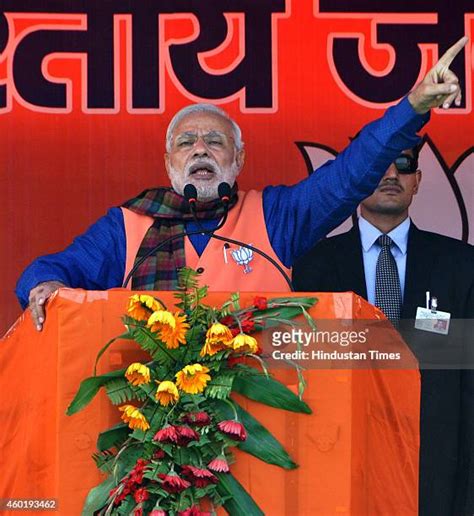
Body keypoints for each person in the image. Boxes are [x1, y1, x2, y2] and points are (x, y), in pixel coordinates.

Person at [16, 38, 468, 332]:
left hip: (256, 439)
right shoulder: (128, 226)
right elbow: (52, 273)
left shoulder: (277, 217)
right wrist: (45, 285)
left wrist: (412, 107)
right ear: (168, 159)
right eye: (186, 142)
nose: (200, 150)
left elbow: (349, 175)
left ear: (239, 159)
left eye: (215, 141)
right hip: (152, 442)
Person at [292, 144, 474, 515]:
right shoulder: (314, 266)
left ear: (418, 181)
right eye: (378, 165)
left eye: (404, 165)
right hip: (344, 462)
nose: (391, 175)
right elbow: (307, 377)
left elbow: (467, 387)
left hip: (435, 472)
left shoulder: (461, 265)